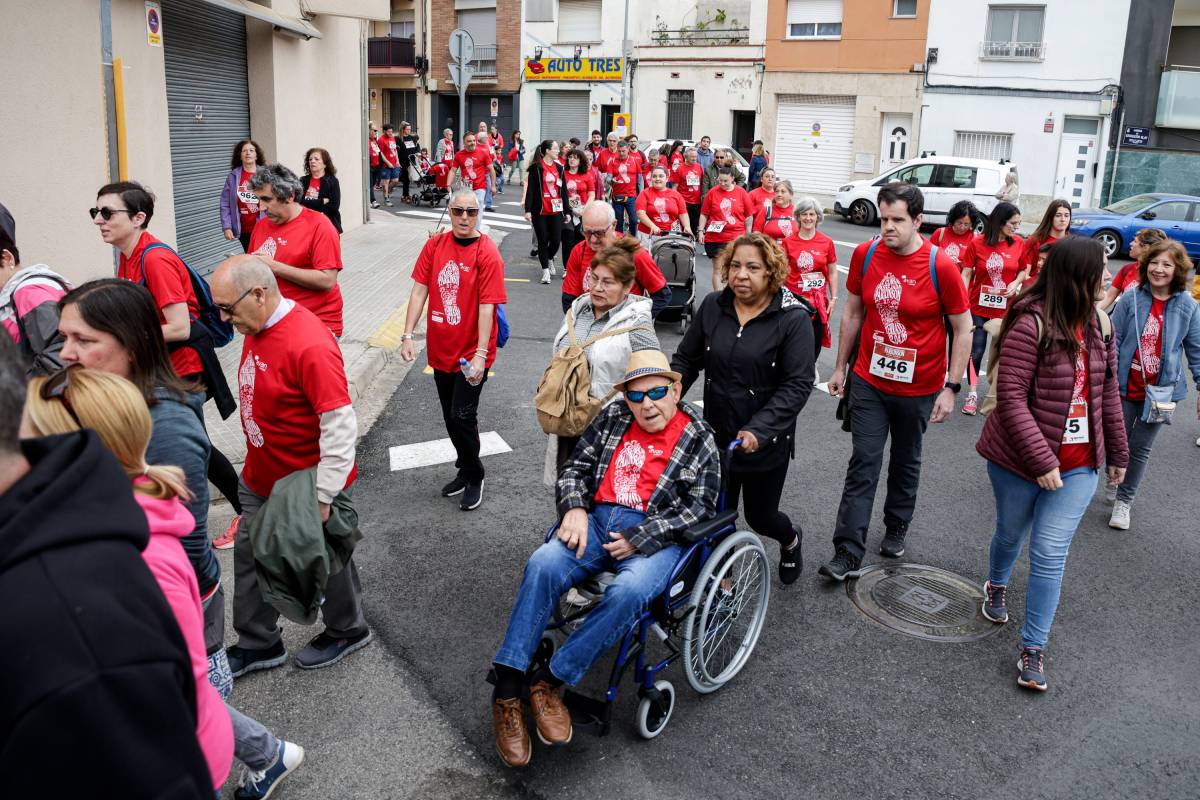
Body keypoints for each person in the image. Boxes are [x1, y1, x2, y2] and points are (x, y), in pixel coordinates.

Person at [0, 337, 213, 797]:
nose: (68, 350)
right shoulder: (116, 523)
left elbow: (155, 691)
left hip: (194, 723)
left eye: (83, 337)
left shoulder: (125, 559)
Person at [490, 349, 720, 768]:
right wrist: (574, 507)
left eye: (657, 392)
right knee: (543, 563)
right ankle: (506, 691)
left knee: (630, 591)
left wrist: (642, 535)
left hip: (654, 535)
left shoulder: (699, 436)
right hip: (595, 519)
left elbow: (700, 508)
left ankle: (549, 681)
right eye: (637, 396)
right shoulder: (614, 417)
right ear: (626, 398)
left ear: (676, 389)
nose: (647, 404)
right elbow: (575, 468)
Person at [975, 236, 1128, 691]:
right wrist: (1041, 459)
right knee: (1010, 532)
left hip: (1079, 464)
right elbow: (1011, 400)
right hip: (1019, 461)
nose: (1105, 276)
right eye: (1098, 269)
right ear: (1074, 276)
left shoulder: (1102, 325)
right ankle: (997, 583)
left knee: (1049, 553)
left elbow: (1107, 396)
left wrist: (1118, 454)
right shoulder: (1029, 323)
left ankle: (1033, 647)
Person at [57, 278, 237, 660]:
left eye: (83, 341)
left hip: (169, 610)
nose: (65, 353)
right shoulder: (98, 404)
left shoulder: (166, 426)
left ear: (134, 345)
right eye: (64, 338)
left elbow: (185, 546)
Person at [210, 256, 372, 676]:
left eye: (228, 308)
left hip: (305, 482)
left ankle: (347, 629)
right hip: (262, 474)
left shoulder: (310, 343)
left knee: (323, 559)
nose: (225, 319)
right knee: (250, 555)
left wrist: (322, 496)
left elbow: (339, 424)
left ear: (259, 294)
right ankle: (259, 642)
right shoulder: (257, 323)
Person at [822, 182, 973, 579]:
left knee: (906, 459)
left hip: (920, 386)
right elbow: (853, 313)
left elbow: (963, 329)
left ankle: (897, 523)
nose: (887, 227)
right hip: (869, 379)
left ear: (918, 221)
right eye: (884, 217)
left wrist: (951, 386)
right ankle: (847, 551)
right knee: (864, 462)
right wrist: (840, 368)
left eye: (897, 220)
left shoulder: (941, 266)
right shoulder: (866, 254)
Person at [672, 233, 816, 583]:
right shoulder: (712, 306)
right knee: (718, 512)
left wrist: (759, 431)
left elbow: (797, 385)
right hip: (716, 435)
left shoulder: (793, 319)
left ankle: (790, 539)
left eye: (752, 267)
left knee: (760, 516)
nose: (740, 275)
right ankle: (724, 584)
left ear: (771, 272)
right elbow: (686, 359)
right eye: (735, 266)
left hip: (763, 441)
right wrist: (669, 389)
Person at [94, 181, 239, 514]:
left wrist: (123, 339)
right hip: (161, 369)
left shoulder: (154, 259)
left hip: (182, 372)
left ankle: (241, 518)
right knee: (196, 447)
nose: (98, 220)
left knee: (194, 450)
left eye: (107, 212)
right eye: (95, 212)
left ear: (137, 218)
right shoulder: (127, 256)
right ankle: (247, 514)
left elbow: (179, 326)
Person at [400, 189, 507, 510]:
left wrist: (479, 356)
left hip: (472, 353)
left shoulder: (487, 253)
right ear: (449, 211)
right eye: (458, 211)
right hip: (440, 348)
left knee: (462, 415)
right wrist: (408, 335)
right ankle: (465, 466)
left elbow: (488, 307)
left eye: (471, 212)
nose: (464, 217)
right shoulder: (434, 246)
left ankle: (475, 474)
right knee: (450, 416)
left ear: (479, 214)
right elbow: (419, 291)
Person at [1107, 239, 1200, 529]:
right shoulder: (1131, 297)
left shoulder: (1188, 305)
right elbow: (1114, 339)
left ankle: (1124, 502)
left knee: (1141, 448)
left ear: (1178, 270)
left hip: (1162, 391)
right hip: (1123, 384)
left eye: (1167, 265)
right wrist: (1106, 378)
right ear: (1146, 266)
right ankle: (1115, 474)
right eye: (1155, 263)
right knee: (1118, 441)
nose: (1159, 270)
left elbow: (1196, 350)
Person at [546, 238, 659, 475]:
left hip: (612, 429)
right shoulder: (577, 310)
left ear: (627, 287)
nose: (597, 288)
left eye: (608, 282)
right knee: (567, 491)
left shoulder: (637, 324)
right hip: (568, 422)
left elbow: (654, 380)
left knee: (603, 499)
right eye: (594, 278)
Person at [247, 162, 345, 337]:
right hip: (272, 322)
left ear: (290, 196)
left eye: (266, 199)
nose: (261, 207)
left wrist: (275, 266)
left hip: (314, 324)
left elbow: (327, 280)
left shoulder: (320, 226)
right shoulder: (261, 226)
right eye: (258, 199)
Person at [961, 202, 1025, 415]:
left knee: (1003, 354)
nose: (1016, 227)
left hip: (1006, 310)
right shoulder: (977, 243)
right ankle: (971, 393)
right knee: (976, 350)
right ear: (1000, 222)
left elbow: (1023, 271)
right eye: (1013, 223)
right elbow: (966, 273)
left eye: (1018, 223)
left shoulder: (1018, 244)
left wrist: (1015, 284)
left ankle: (996, 394)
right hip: (978, 306)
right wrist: (960, 300)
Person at [562, 201, 671, 316]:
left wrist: (636, 321)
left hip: (624, 326)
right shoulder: (579, 251)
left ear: (614, 225)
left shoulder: (634, 252)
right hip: (590, 323)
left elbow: (662, 295)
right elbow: (569, 298)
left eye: (599, 233)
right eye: (587, 232)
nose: (593, 240)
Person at [0, 202, 68, 375]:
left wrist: (21, 391)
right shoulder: (11, 294)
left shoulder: (31, 292)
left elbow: (61, 356)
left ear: (7, 258)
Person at [781, 197, 838, 357]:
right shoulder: (788, 242)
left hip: (817, 300)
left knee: (814, 340)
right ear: (798, 216)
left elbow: (832, 272)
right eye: (804, 214)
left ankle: (809, 370)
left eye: (812, 214)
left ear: (818, 217)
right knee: (792, 340)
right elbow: (781, 272)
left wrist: (833, 298)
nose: (808, 218)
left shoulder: (826, 242)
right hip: (794, 299)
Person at [524, 140, 568, 285]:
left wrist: (567, 211)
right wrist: (528, 210)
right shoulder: (536, 168)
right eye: (555, 149)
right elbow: (531, 190)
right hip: (540, 211)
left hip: (556, 209)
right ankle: (545, 271)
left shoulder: (560, 168)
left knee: (556, 240)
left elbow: (564, 192)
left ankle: (549, 258)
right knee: (542, 240)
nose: (558, 151)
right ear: (547, 151)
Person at [1098, 227, 1167, 310]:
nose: (1131, 244)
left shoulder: (1159, 274)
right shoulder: (1127, 269)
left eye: (1135, 241)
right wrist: (1092, 315)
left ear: (1146, 247)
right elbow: (1109, 296)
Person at [701, 167, 754, 273]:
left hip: (735, 236)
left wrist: (748, 234)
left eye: (726, 181)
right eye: (720, 180)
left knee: (733, 269)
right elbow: (704, 214)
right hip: (715, 236)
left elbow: (748, 216)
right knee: (718, 269)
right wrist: (700, 231)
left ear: (733, 178)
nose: (723, 183)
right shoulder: (712, 192)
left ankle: (730, 289)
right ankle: (719, 290)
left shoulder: (741, 192)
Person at [222, 138, 268, 251]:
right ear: (240, 155)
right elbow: (225, 204)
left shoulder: (266, 175)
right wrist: (226, 227)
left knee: (263, 257)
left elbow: (275, 199)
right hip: (244, 229)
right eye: (244, 151)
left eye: (251, 150)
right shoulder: (233, 177)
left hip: (264, 226)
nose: (248, 153)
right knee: (251, 257)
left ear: (256, 155)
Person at [450, 131, 495, 232]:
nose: (472, 143)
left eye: (474, 140)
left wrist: (493, 186)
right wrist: (448, 184)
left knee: (477, 208)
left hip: (480, 186)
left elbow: (491, 169)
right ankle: (465, 228)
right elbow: (453, 170)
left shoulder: (483, 153)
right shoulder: (459, 155)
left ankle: (476, 231)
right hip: (465, 187)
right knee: (464, 209)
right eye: (469, 141)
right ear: (464, 143)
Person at [635, 165, 692, 244]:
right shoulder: (644, 194)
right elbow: (640, 213)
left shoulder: (676, 195)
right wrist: (652, 226)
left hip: (671, 234)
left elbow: (683, 213)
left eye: (661, 176)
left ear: (667, 178)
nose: (657, 179)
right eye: (654, 176)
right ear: (651, 179)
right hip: (648, 235)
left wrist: (687, 226)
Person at [562, 148, 596, 273]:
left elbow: (592, 194)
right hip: (567, 210)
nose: (572, 160)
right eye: (570, 157)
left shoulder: (587, 175)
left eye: (575, 158)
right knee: (568, 234)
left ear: (580, 160)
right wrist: (568, 205)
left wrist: (585, 209)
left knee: (580, 238)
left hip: (582, 210)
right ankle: (567, 267)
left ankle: (580, 265)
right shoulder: (563, 173)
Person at [1021, 199, 1071, 280]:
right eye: (1058, 215)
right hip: (1035, 288)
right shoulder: (1034, 240)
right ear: (1050, 217)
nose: (1063, 219)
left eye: (1066, 215)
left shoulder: (1072, 242)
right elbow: (1024, 274)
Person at [300, 147, 342, 234]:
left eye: (316, 159)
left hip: (327, 225)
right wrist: (321, 201)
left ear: (325, 164)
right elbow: (298, 203)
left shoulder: (332, 181)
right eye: (310, 159)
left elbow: (334, 206)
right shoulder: (303, 180)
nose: (312, 161)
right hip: (305, 225)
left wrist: (309, 207)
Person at [928, 200, 978, 269]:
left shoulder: (974, 238)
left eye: (966, 224)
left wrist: (961, 264)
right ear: (953, 220)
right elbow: (928, 257)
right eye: (959, 223)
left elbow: (976, 268)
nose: (962, 227)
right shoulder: (940, 233)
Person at [605, 140, 640, 233]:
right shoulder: (612, 161)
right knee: (618, 222)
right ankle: (619, 242)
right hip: (617, 196)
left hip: (631, 196)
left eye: (623, 151)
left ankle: (632, 241)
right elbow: (608, 178)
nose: (621, 153)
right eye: (619, 151)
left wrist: (641, 193)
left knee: (634, 220)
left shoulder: (634, 160)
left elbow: (640, 178)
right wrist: (611, 181)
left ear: (628, 149)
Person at [751, 177, 796, 243]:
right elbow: (756, 233)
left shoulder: (797, 212)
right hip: (770, 251)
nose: (779, 194)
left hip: (791, 251)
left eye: (783, 192)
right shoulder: (767, 210)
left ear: (791, 194)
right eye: (777, 191)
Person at [673, 147, 705, 235]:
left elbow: (702, 183)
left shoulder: (699, 167)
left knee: (694, 225)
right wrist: (675, 200)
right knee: (684, 226)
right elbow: (675, 186)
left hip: (697, 201)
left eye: (695, 156)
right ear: (686, 157)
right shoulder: (680, 168)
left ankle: (692, 244)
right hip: (684, 201)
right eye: (692, 157)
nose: (694, 158)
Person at [378, 123, 401, 206]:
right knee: (386, 182)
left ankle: (387, 192)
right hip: (385, 165)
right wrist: (387, 162)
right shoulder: (381, 140)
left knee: (395, 181)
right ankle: (386, 199)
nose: (390, 133)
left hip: (394, 163)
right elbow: (381, 153)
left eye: (391, 131)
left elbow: (395, 150)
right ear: (384, 131)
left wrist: (397, 161)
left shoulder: (392, 138)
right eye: (389, 132)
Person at [398, 122, 420, 203]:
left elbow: (417, 147)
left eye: (410, 129)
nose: (409, 131)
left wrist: (418, 152)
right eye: (407, 129)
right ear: (403, 130)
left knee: (411, 178)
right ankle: (405, 195)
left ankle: (406, 194)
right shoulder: (399, 139)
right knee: (406, 179)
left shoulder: (412, 138)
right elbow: (398, 151)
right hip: (403, 161)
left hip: (412, 161)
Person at [368, 124, 382, 209]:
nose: (375, 132)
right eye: (374, 130)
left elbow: (379, 152)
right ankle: (373, 201)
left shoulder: (374, 141)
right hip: (369, 166)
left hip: (376, 166)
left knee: (372, 184)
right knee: (369, 184)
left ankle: (368, 199)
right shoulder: (366, 140)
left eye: (376, 131)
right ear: (369, 130)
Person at [490, 124, 506, 194]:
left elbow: (502, 144)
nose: (491, 130)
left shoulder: (499, 136)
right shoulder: (489, 136)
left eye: (493, 129)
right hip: (492, 153)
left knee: (498, 167)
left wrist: (498, 147)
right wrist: (492, 147)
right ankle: (494, 182)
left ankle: (498, 185)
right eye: (491, 129)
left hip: (497, 152)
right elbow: (488, 144)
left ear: (496, 129)